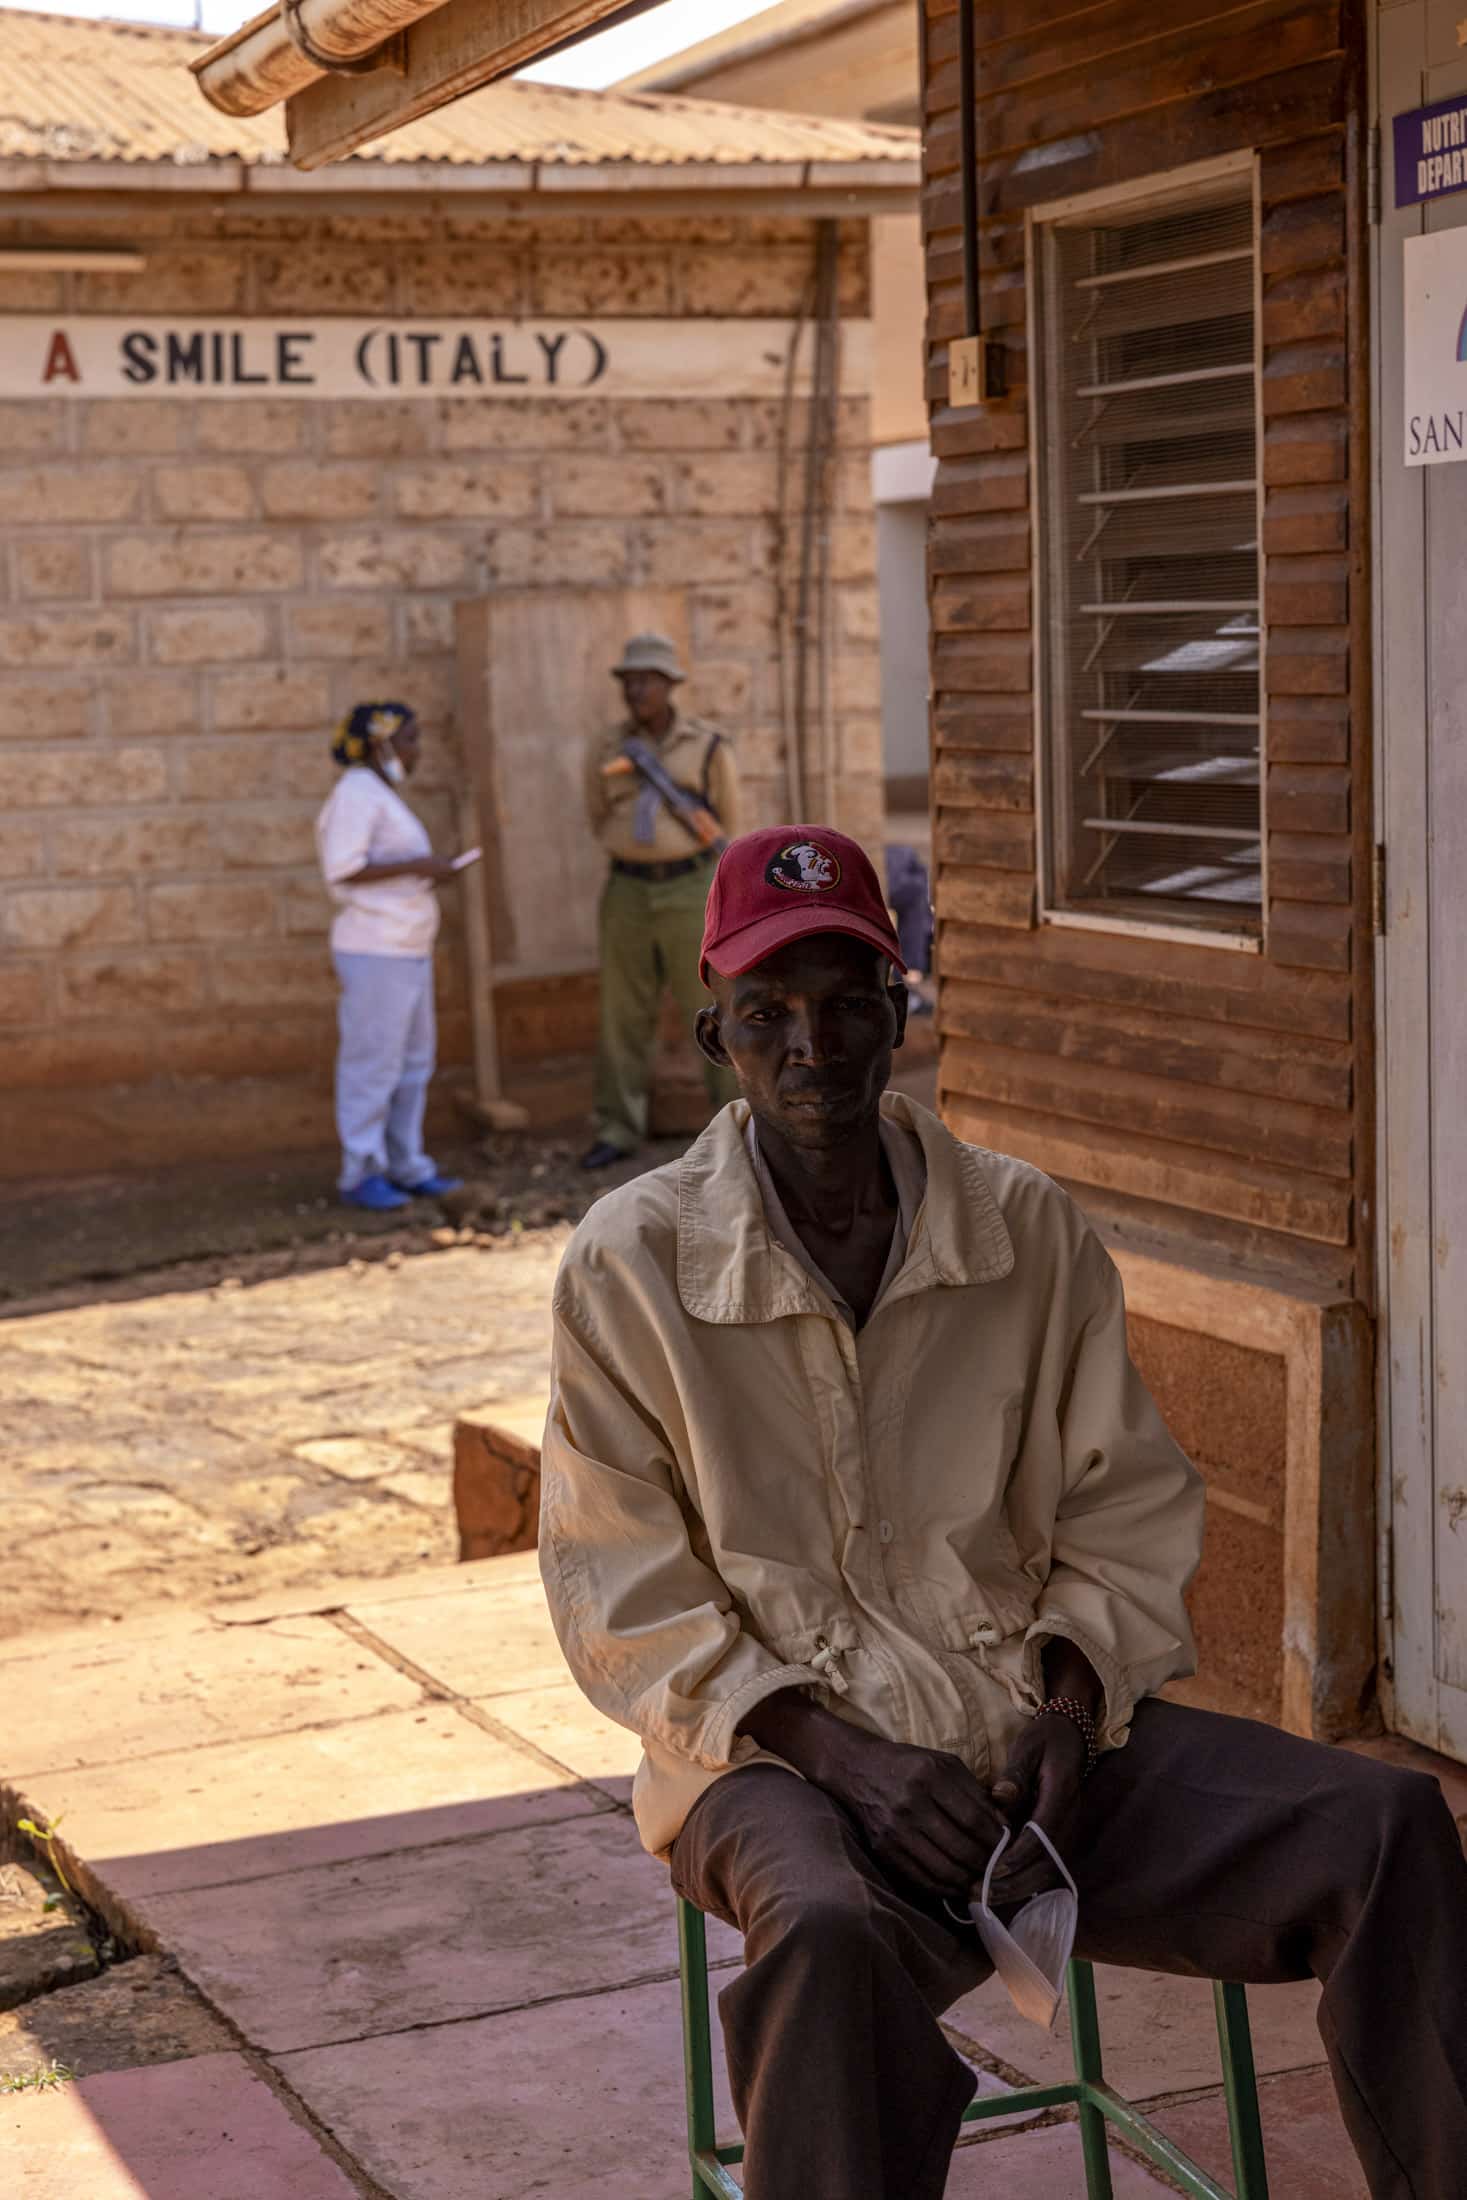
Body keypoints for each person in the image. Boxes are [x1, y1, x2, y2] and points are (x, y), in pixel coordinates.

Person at [540, 821, 1467, 2200]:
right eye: (767, 1012)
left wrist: (1065, 1713)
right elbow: (622, 1594)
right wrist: (848, 1764)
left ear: (898, 1011)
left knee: (1385, 1828)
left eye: (849, 1001)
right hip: (770, 1763)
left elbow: (1125, 1505)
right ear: (709, 1037)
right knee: (825, 1936)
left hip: (1032, 1746)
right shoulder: (629, 1267)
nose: (814, 1045)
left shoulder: (1020, 1227)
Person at [579, 632, 740, 1172]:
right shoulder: (607, 747)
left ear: (670, 685)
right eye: (628, 680)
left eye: (646, 679)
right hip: (626, 888)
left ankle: (736, 1125)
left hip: (690, 885)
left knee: (712, 1005)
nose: (635, 689)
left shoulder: (707, 745)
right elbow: (597, 812)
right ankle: (617, 1127)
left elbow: (729, 820)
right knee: (621, 1012)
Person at [314, 701, 464, 1213]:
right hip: (375, 949)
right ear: (382, 744)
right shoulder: (357, 793)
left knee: (412, 1063)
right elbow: (344, 867)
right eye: (411, 739)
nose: (417, 751)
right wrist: (419, 865)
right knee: (373, 1063)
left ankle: (406, 1164)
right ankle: (361, 1171)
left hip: (404, 949)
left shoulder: (378, 794)